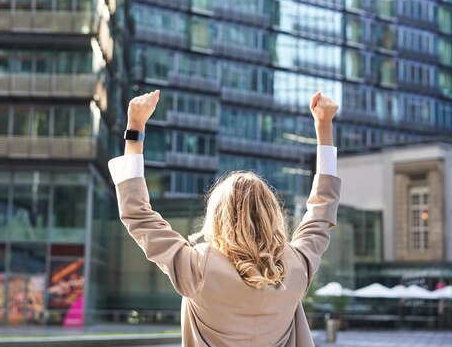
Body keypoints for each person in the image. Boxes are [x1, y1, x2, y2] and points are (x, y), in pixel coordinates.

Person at [108, 90, 341, 347]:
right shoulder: (297, 266)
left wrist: (135, 128)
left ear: (218, 217)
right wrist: (324, 127)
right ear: (272, 214)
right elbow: (322, 211)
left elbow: (138, 214)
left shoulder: (198, 267)